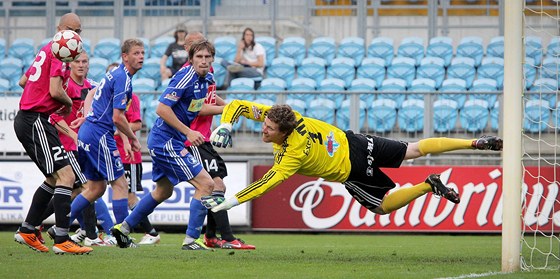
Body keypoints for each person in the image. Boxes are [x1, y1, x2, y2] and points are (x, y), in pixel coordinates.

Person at [203, 100, 503, 217]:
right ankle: (473, 142)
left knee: (382, 207)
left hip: (353, 169)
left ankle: (427, 185)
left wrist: (230, 202)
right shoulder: (287, 117)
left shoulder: (292, 154)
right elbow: (241, 105)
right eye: (264, 124)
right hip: (357, 141)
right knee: (414, 148)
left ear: (284, 132)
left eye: (269, 129)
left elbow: (266, 183)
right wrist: (227, 123)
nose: (264, 130)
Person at [110, 39, 216, 250]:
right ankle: (191, 240)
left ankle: (123, 228)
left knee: (163, 191)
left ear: (212, 59)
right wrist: (188, 131)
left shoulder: (208, 79)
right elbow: (161, 109)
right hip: (165, 140)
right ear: (191, 59)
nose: (203, 61)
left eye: (207, 57)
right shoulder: (185, 77)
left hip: (169, 140)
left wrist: (228, 108)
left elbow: (196, 107)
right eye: (199, 57)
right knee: (207, 184)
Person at [13, 12, 92, 255]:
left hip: (35, 119)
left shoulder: (48, 49)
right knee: (67, 177)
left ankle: (27, 230)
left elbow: (23, 81)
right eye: (71, 30)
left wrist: (40, 94)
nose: (75, 36)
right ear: (60, 29)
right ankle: (61, 238)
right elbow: (56, 91)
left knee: (53, 178)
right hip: (35, 119)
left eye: (78, 32)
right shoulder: (60, 52)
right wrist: (67, 104)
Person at [65, 38, 145, 245]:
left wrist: (89, 116)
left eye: (143, 53)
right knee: (120, 184)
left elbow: (98, 98)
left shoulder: (115, 75)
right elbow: (117, 117)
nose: (141, 57)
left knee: (95, 189)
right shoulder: (123, 78)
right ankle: (121, 236)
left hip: (89, 132)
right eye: (136, 53)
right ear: (125, 57)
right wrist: (133, 138)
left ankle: (60, 228)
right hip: (99, 135)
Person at [182, 31, 255, 250]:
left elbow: (211, 98)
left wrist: (231, 106)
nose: (202, 51)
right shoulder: (188, 75)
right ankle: (226, 238)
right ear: (188, 50)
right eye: (196, 46)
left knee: (216, 185)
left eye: (204, 46)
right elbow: (198, 108)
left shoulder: (208, 72)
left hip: (205, 139)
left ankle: (212, 236)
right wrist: (227, 109)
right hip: (192, 139)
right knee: (216, 185)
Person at [40, 51, 107, 247]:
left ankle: (34, 223)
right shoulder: (65, 87)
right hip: (66, 145)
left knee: (76, 192)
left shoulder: (91, 88)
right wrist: (74, 135)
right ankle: (91, 236)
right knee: (88, 187)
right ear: (69, 64)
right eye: (77, 61)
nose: (81, 65)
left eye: (84, 61)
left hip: (82, 147)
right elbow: (54, 117)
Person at [114, 89, 161, 245]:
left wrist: (115, 130)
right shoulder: (110, 99)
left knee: (130, 197)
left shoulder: (131, 98)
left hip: (129, 157)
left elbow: (137, 124)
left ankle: (151, 233)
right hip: (113, 154)